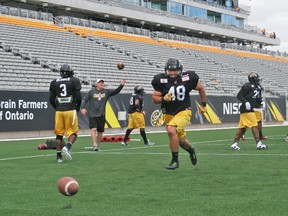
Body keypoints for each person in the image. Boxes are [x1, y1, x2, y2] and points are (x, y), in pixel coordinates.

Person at [151, 58, 207, 170]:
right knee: (181, 141)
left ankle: (175, 161)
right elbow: (154, 98)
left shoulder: (188, 78)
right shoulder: (161, 80)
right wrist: (163, 99)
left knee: (171, 130)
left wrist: (204, 104)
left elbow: (200, 88)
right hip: (168, 113)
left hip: (184, 111)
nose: (172, 73)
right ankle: (191, 151)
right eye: (170, 70)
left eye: (175, 70)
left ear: (180, 70)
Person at [49, 64, 82, 163]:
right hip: (70, 109)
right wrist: (77, 108)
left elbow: (51, 99)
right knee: (73, 133)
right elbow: (78, 97)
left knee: (59, 134)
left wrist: (57, 107)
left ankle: (59, 157)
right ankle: (68, 147)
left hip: (59, 111)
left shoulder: (54, 82)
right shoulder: (74, 80)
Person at [80, 79, 125, 151]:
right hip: (92, 114)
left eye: (102, 82)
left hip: (101, 114)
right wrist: (82, 108)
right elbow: (84, 100)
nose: (101, 84)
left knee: (100, 131)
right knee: (94, 129)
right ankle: (94, 145)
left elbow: (116, 91)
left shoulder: (106, 92)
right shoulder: (91, 92)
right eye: (99, 82)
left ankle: (97, 145)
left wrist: (121, 85)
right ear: (96, 84)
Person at [231, 72, 268, 150]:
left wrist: (261, 102)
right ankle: (258, 143)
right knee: (254, 124)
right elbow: (239, 96)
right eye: (256, 78)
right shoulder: (247, 86)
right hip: (246, 108)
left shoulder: (258, 87)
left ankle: (234, 144)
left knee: (242, 127)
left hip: (252, 108)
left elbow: (258, 99)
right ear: (253, 79)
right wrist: (246, 102)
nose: (258, 79)